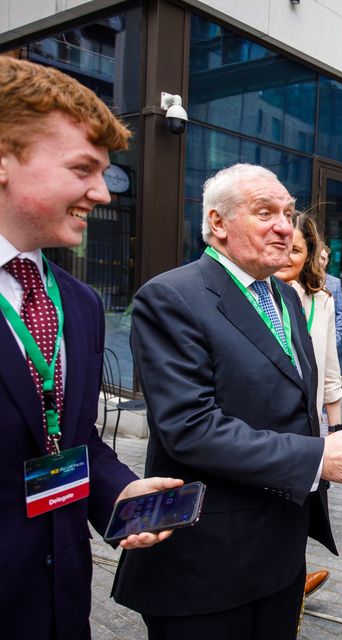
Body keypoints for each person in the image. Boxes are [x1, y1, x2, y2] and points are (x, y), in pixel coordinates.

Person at [111, 163, 342, 640]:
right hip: (206, 564)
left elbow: (283, 402)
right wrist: (319, 457)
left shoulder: (283, 296)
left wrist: (332, 438)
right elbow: (191, 428)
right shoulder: (171, 297)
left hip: (278, 557)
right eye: (266, 212)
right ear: (218, 223)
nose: (285, 226)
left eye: (289, 213)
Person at [0, 55, 183, 639]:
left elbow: (68, 438)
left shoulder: (78, 303)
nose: (102, 193)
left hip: (60, 602)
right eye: (83, 168)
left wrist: (119, 493)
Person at [275, 213, 342, 597]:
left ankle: (291, 584)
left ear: (309, 255)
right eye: (283, 247)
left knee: (300, 512)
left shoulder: (322, 302)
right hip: (267, 431)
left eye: (296, 249)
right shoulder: (257, 298)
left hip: (309, 431)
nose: (286, 256)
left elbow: (331, 375)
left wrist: (334, 432)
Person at [318, 242, 342, 345]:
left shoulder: (335, 283)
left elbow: (340, 313)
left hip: (329, 337)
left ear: (327, 261)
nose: (320, 261)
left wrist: (336, 338)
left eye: (323, 258)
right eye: (318, 257)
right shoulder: (303, 281)